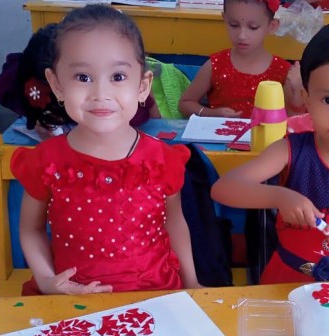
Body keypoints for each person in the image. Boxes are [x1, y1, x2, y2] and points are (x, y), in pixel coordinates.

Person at [11, 5, 200, 295]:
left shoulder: (162, 159)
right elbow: (31, 229)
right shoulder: (46, 162)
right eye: (83, 77)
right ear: (57, 85)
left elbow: (174, 222)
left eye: (118, 77)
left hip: (156, 296)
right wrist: (47, 280)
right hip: (72, 300)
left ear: (143, 86)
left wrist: (191, 282)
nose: (101, 94)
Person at [211, 22, 329, 284]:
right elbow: (223, 188)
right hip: (286, 282)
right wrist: (280, 197)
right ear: (307, 98)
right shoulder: (290, 150)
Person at [0, 23, 160, 142]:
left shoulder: (122, 99)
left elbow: (155, 120)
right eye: (82, 78)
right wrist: (42, 121)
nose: (100, 94)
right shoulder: (26, 77)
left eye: (84, 78)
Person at [178, 0, 304, 119]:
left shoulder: (285, 72)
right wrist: (211, 114)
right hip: (217, 134)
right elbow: (185, 103)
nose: (242, 35)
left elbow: (295, 120)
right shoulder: (215, 65)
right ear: (225, 19)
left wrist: (297, 90)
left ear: (272, 26)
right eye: (234, 25)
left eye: (253, 27)